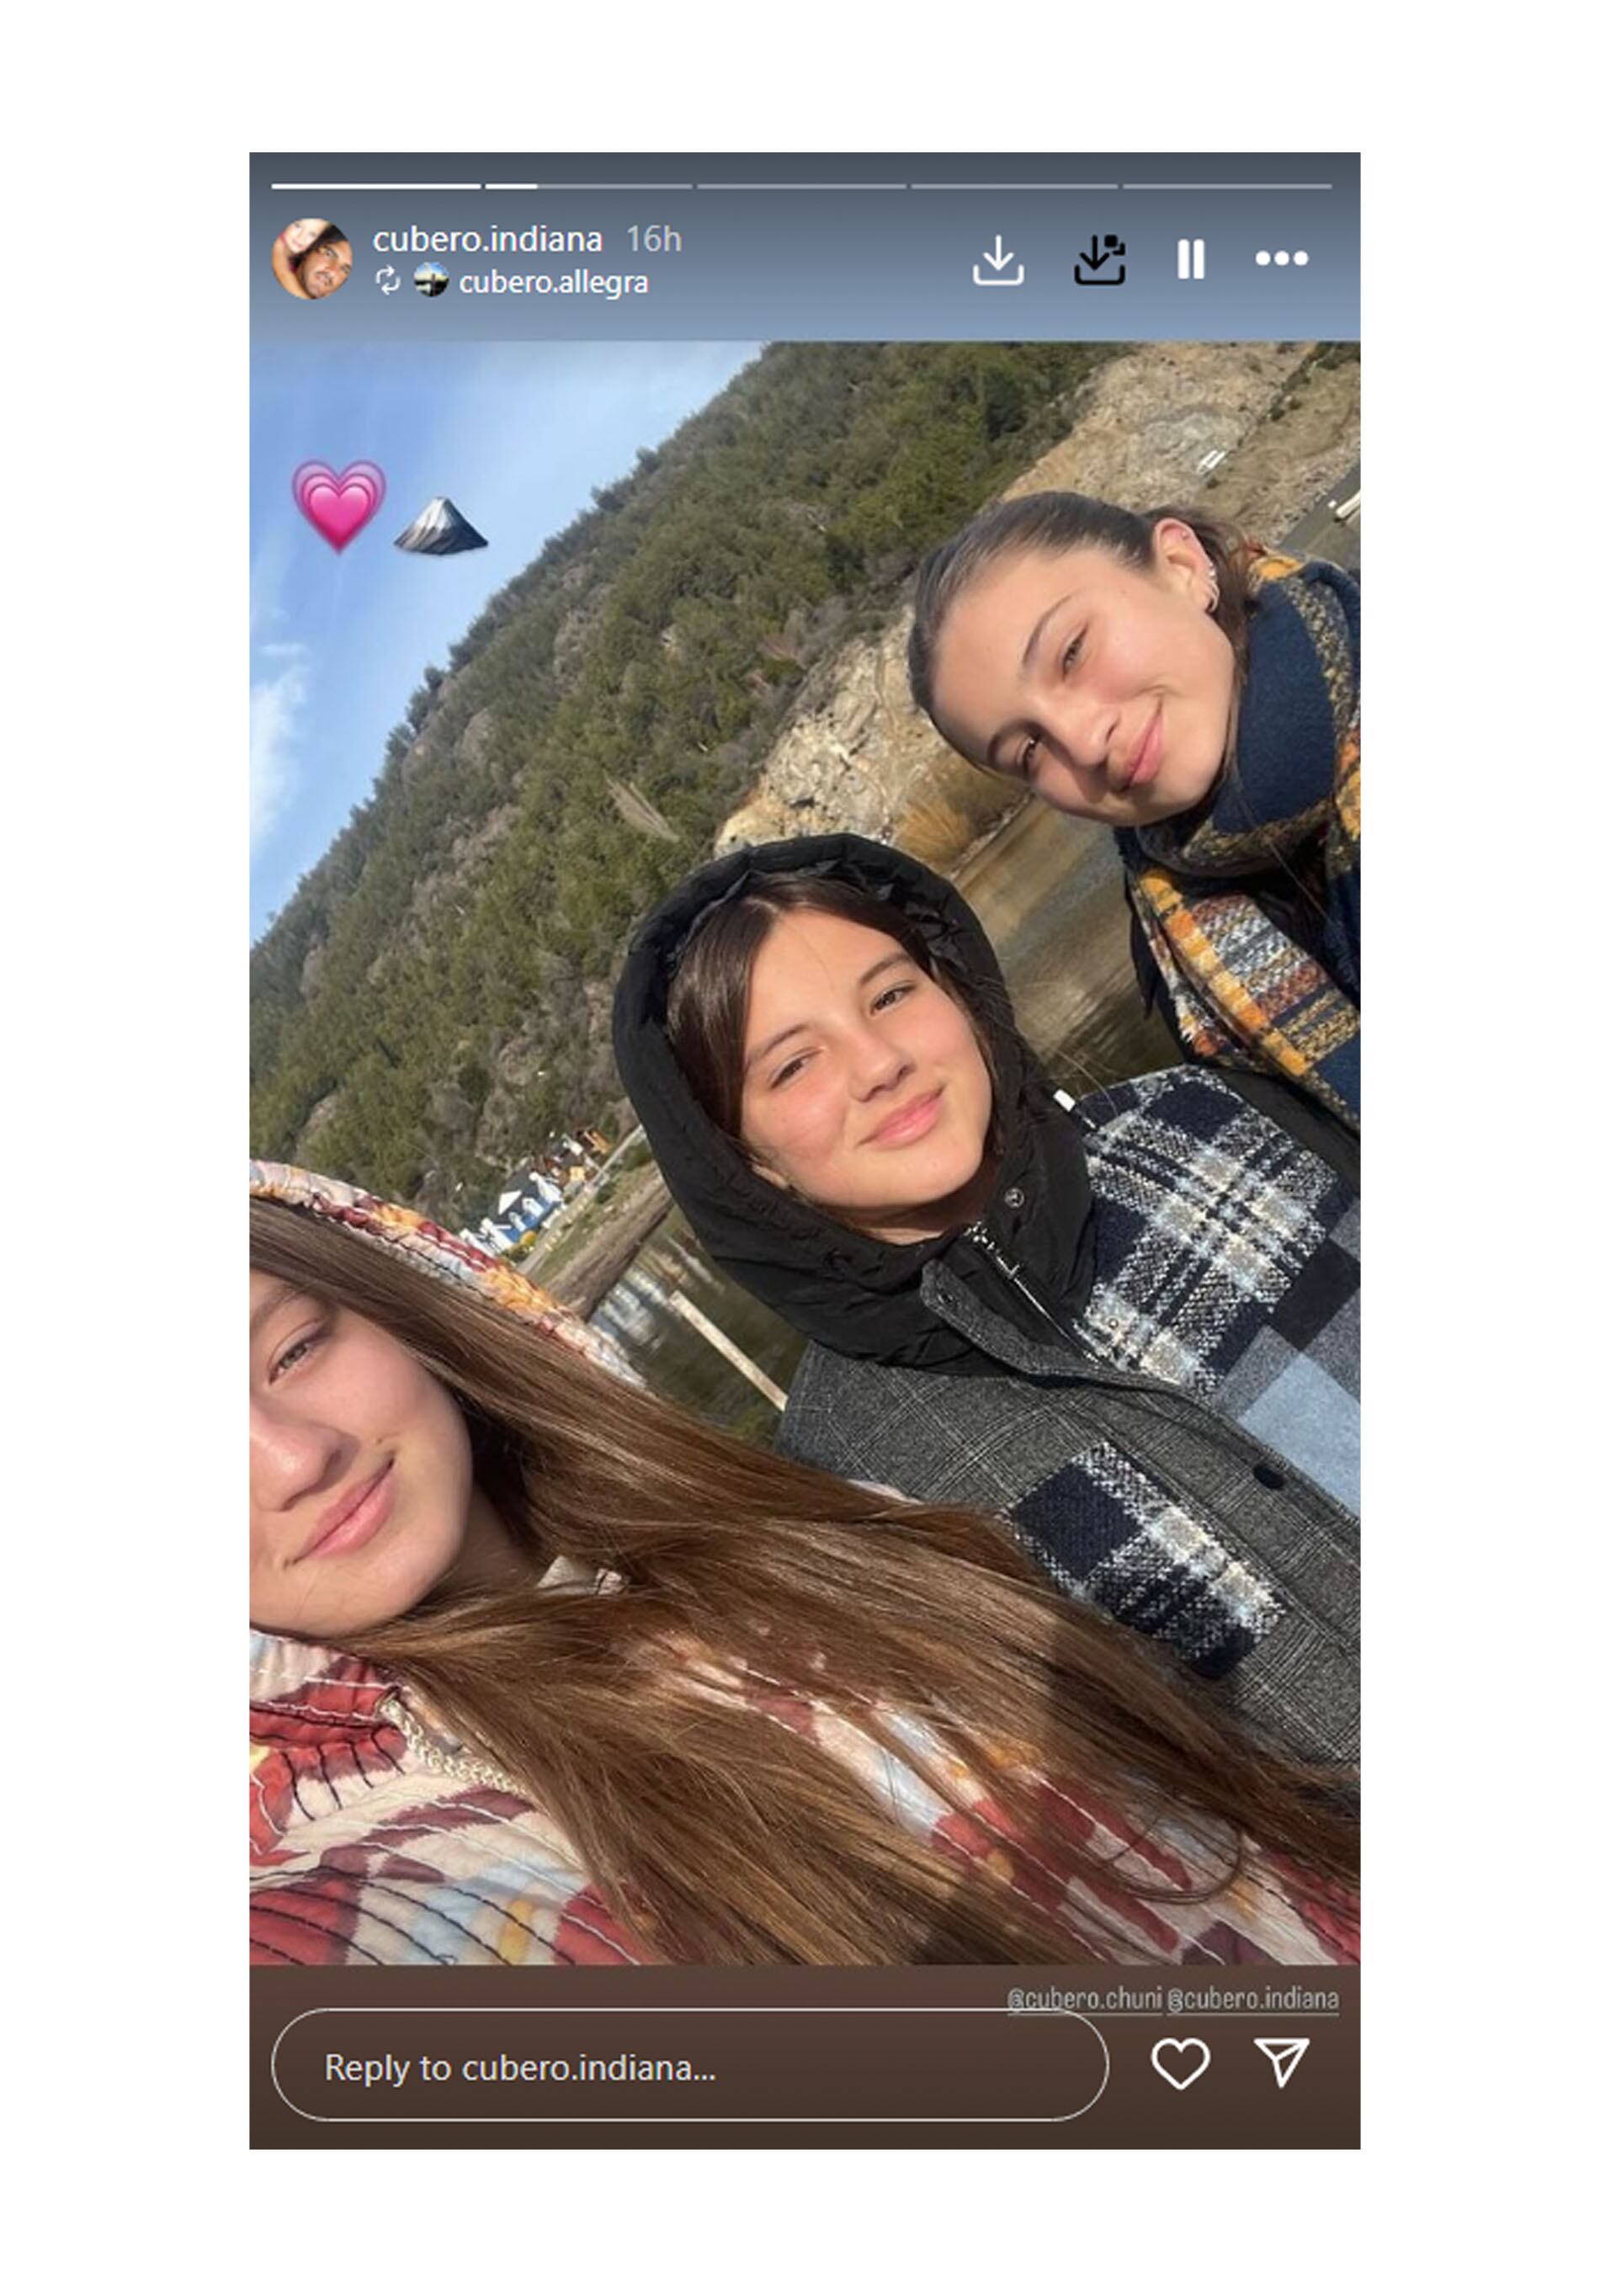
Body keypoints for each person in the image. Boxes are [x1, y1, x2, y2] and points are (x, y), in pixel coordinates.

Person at [251, 1161, 1358, 1968]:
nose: (296, 1460)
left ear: (398, 1304)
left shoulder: (790, 1514)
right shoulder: (375, 1871)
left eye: (292, 1350)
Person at [613, 835, 1360, 1772]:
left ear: (957, 990)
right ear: (743, 1158)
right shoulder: (845, 1480)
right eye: (793, 1065)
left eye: (891, 995)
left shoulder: (1210, 1117)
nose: (878, 1063)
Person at [906, 493, 1360, 1131]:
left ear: (1181, 565)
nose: (1084, 742)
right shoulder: (1180, 960)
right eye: (1029, 750)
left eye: (1072, 652)